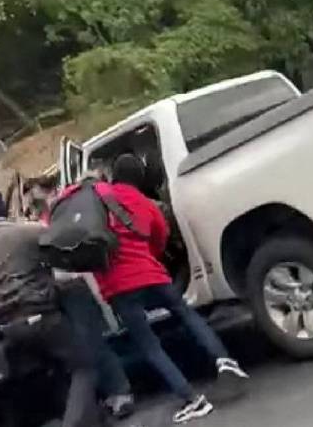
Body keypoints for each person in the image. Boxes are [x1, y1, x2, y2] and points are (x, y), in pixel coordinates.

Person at [95, 154, 249, 424]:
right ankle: (223, 360)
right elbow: (161, 238)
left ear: (112, 176)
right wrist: (146, 258)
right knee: (187, 314)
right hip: (152, 274)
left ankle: (192, 400)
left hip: (118, 285)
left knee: (150, 345)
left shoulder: (96, 200)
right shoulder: (146, 203)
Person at [0, 191, 103, 427]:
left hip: (7, 329)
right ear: (2, 211)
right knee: (84, 365)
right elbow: (62, 240)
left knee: (55, 368)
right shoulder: (24, 232)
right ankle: (73, 423)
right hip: (39, 315)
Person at [24, 174, 136, 418]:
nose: (33, 202)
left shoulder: (64, 210)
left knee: (93, 342)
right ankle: (106, 396)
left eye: (34, 195)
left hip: (74, 283)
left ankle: (121, 392)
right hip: (60, 288)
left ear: (49, 191)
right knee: (82, 347)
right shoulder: (41, 218)